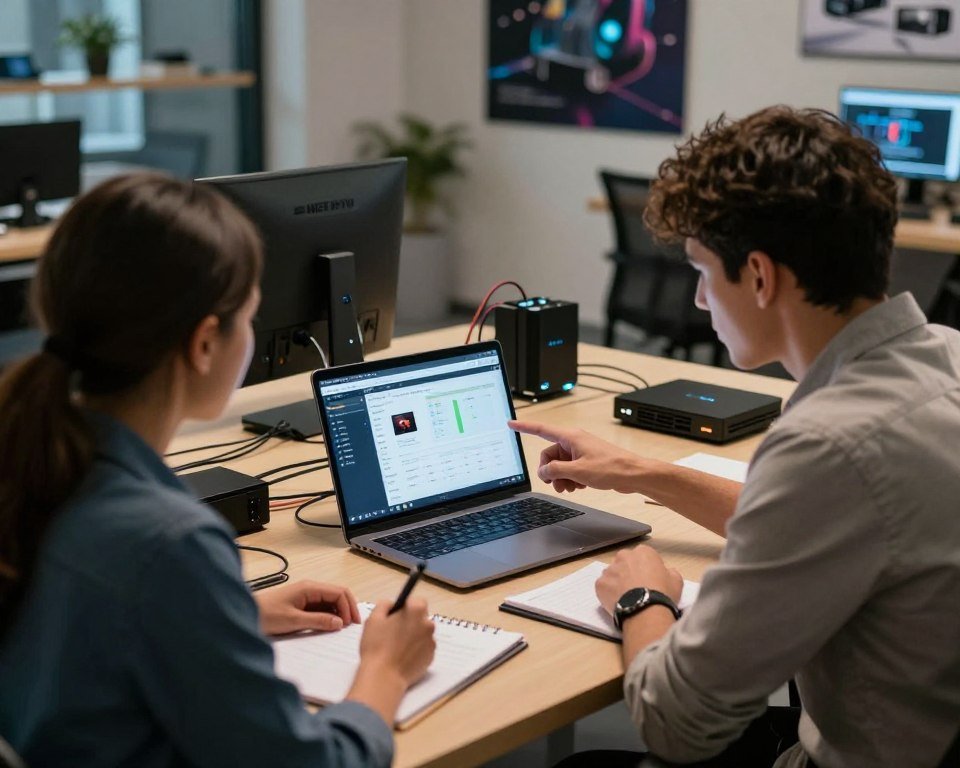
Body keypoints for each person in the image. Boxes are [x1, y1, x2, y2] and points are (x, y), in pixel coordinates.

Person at [513, 106, 960, 767]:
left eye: (700, 270)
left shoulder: (829, 444)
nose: (698, 301)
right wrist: (643, 473)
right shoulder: (945, 359)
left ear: (758, 275)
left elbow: (675, 723)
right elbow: (833, 518)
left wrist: (641, 598)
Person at [0, 174, 436, 767]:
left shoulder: (37, 464)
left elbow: (75, 627)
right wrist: (385, 668)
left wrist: (229, 617)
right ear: (205, 344)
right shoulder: (169, 543)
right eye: (251, 317)